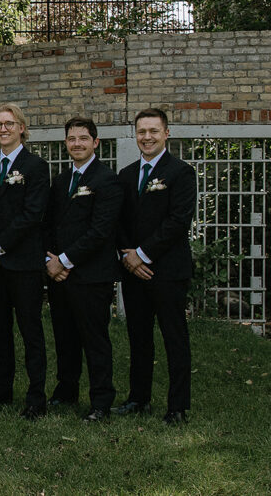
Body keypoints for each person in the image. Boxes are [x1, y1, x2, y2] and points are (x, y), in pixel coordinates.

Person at [115, 108, 197, 425]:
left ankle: (177, 407)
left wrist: (143, 254)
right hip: (133, 271)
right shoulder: (125, 174)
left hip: (167, 270)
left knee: (173, 337)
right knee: (139, 337)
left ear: (166, 134)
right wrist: (127, 256)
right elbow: (118, 223)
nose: (146, 137)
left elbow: (178, 222)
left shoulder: (181, 172)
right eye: (141, 132)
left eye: (153, 131)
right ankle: (138, 398)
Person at [0, 103, 50, 420]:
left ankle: (36, 397)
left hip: (24, 264)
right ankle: (1, 391)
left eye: (9, 123)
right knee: (0, 331)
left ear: (22, 128)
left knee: (30, 331)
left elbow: (33, 215)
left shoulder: (36, 167)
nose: (3, 129)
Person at [44, 117, 122, 421]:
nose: (77, 144)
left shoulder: (107, 180)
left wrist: (63, 261)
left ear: (95, 142)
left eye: (83, 138)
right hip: (59, 275)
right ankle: (66, 392)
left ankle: (101, 401)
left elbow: (100, 231)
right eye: (72, 139)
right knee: (65, 337)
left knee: (95, 339)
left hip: (92, 276)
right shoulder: (61, 181)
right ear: (66, 143)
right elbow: (48, 224)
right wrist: (51, 260)